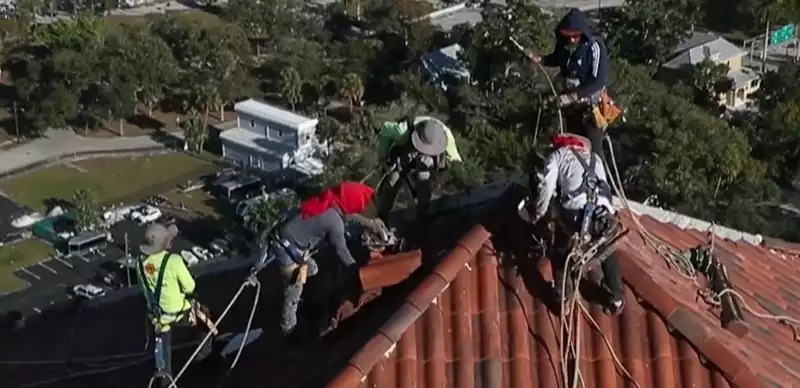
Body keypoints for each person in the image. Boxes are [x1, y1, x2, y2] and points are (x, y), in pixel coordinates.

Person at [251, 181, 386, 335]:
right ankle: (288, 327)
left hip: (283, 238)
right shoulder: (334, 222)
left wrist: (370, 224)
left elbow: (348, 216)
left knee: (313, 269)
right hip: (286, 249)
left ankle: (305, 292)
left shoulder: (327, 201)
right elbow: (342, 252)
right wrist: (358, 271)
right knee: (294, 286)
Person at [519, 133, 624, 315]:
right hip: (604, 214)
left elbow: (546, 189)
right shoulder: (595, 158)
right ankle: (616, 296)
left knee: (559, 247)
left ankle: (563, 298)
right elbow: (606, 189)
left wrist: (538, 214)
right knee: (607, 246)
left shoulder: (558, 156)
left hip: (578, 213)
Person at [136, 223, 216, 383]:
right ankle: (203, 355)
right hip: (180, 314)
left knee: (163, 350)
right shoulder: (174, 261)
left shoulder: (140, 264)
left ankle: (165, 378)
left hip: (157, 317)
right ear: (164, 243)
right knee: (204, 316)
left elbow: (144, 290)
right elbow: (190, 286)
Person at [528, 8, 613, 154]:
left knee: (594, 153)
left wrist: (572, 96)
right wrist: (541, 59)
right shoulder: (563, 46)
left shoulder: (594, 48)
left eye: (576, 36)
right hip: (572, 109)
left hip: (591, 108)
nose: (572, 40)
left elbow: (597, 82)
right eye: (568, 36)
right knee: (574, 147)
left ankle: (597, 176)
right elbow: (556, 58)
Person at [376, 116, 462, 226]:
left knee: (424, 183)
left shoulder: (447, 137)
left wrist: (442, 169)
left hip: (427, 162)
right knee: (392, 182)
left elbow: (455, 161)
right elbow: (385, 130)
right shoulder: (403, 130)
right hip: (404, 153)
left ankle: (422, 218)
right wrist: (383, 158)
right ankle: (381, 218)